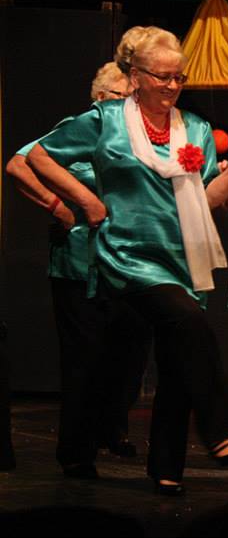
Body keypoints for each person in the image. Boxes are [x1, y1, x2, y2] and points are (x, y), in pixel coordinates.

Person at [26, 26, 228, 495]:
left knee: (182, 353)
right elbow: (37, 156)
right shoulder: (105, 119)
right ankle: (221, 425)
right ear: (135, 76)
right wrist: (86, 200)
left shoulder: (194, 128)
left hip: (182, 256)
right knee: (186, 322)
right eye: (162, 77)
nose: (172, 85)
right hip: (127, 255)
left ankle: (167, 467)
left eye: (179, 77)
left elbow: (207, 199)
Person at [5, 62, 152, 477]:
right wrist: (59, 207)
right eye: (122, 97)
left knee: (130, 353)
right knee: (84, 359)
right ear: (101, 98)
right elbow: (18, 164)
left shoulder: (134, 136)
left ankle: (111, 428)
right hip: (79, 264)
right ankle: (76, 451)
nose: (129, 105)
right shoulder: (81, 127)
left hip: (127, 263)